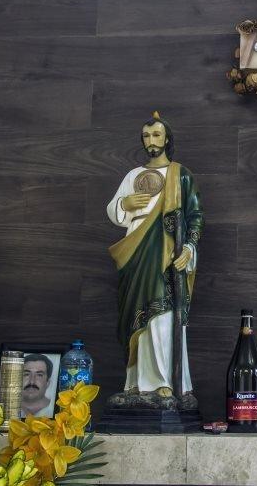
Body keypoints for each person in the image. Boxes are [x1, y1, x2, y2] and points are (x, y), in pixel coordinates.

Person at [106, 112, 204, 410]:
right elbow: (114, 210)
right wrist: (124, 204)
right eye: (147, 136)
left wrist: (188, 247)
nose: (151, 141)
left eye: (157, 135)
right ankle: (136, 384)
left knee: (163, 318)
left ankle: (169, 383)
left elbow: (195, 216)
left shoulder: (180, 174)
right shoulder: (132, 176)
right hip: (135, 257)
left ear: (167, 138)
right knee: (138, 318)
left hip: (166, 258)